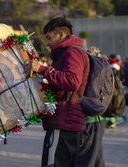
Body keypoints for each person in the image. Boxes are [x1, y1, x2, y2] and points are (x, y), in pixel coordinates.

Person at [24, 16, 89, 167]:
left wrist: (41, 68)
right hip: (68, 123)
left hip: (64, 123)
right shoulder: (68, 52)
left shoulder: (72, 52)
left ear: (60, 34)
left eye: (49, 37)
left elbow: (73, 81)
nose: (47, 43)